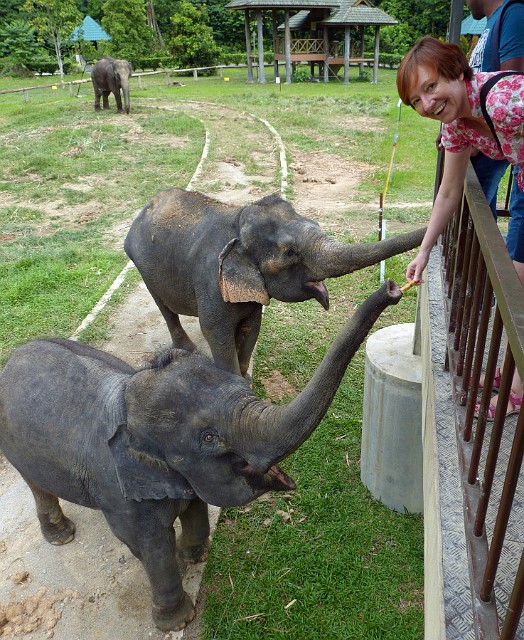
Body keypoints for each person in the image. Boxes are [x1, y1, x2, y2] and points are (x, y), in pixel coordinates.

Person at [397, 36, 523, 420]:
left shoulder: (508, 102)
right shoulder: (456, 126)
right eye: (416, 100)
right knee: (516, 286)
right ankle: (516, 373)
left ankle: (518, 388)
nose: (427, 105)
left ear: (455, 71)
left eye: (431, 87)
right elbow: (449, 193)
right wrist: (424, 251)